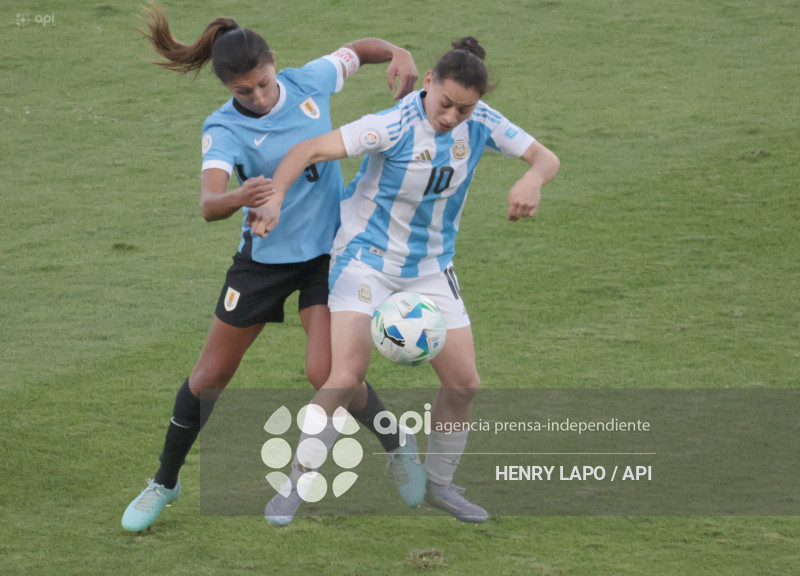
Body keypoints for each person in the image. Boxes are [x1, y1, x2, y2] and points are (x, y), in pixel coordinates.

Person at [122, 4, 426, 532]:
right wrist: (242, 195)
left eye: (262, 84)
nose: (258, 99)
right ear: (227, 88)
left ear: (274, 66)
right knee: (210, 376)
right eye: (244, 92)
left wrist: (397, 53)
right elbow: (208, 204)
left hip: (329, 253)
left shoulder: (309, 80)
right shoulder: (222, 128)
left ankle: (397, 444)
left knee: (324, 372)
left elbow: (359, 50)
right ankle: (164, 483)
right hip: (262, 263)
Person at [253, 36, 560, 525]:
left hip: (432, 270)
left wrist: (533, 179)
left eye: (464, 109)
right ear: (431, 83)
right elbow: (309, 149)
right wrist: (274, 198)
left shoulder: (481, 121)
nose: (452, 117)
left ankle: (440, 485)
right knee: (344, 376)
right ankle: (295, 485)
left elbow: (546, 158)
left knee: (464, 384)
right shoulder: (391, 126)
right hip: (365, 262)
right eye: (445, 104)